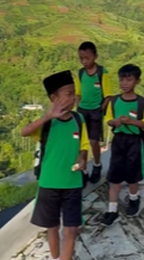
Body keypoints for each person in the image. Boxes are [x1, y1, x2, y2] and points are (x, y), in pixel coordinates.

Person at [21, 70, 89, 260]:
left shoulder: (78, 119)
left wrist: (82, 157)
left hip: (72, 183)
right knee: (52, 228)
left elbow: (83, 144)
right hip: (49, 183)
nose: (73, 97)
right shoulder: (47, 124)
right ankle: (55, 256)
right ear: (54, 97)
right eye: (68, 94)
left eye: (74, 93)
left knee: (71, 229)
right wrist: (47, 116)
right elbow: (24, 132)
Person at [101, 64, 144, 227]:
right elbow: (108, 119)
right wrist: (114, 122)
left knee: (132, 174)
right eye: (122, 79)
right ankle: (112, 210)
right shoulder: (114, 101)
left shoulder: (141, 103)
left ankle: (133, 199)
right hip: (118, 141)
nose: (124, 83)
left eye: (128, 79)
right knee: (114, 175)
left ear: (137, 81)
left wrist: (131, 122)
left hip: (134, 142)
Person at [75, 41, 112, 184]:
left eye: (87, 58)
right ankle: (83, 170)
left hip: (96, 111)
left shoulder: (102, 73)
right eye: (81, 58)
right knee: (81, 142)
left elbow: (108, 95)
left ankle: (97, 165)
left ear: (95, 56)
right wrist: (77, 108)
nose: (84, 61)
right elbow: (78, 93)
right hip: (82, 110)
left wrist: (101, 108)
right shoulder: (80, 73)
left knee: (93, 141)